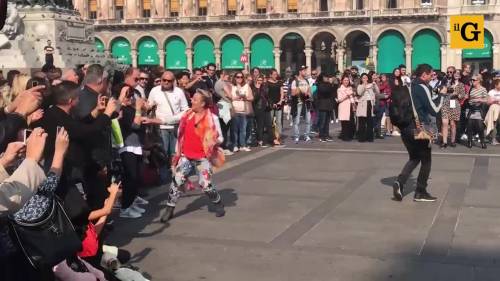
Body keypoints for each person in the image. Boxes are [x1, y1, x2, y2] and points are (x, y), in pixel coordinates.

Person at [160, 89, 225, 223]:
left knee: (205, 185)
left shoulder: (212, 118)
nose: (191, 101)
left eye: (195, 100)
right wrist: (152, 120)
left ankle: (218, 203)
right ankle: (169, 209)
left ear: (202, 104)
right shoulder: (187, 114)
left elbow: (221, 138)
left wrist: (214, 140)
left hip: (203, 157)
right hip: (185, 156)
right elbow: (169, 119)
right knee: (176, 181)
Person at [393, 64, 443, 202]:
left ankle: (399, 182)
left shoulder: (410, 86)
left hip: (405, 128)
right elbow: (434, 109)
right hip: (420, 127)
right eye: (430, 74)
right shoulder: (422, 87)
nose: (431, 77)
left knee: (414, 158)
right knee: (426, 159)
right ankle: (420, 192)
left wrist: (436, 93)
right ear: (424, 75)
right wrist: (443, 96)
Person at [146, 71, 189, 184]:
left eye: (168, 81)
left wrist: (174, 118)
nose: (165, 82)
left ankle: (176, 175)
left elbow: (185, 110)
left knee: (175, 154)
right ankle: (163, 177)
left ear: (173, 81)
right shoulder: (155, 91)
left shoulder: (179, 92)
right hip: (160, 127)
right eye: (163, 80)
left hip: (175, 127)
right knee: (162, 154)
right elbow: (148, 106)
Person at [440, 69, 466, 148]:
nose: (456, 74)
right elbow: (442, 92)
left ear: (460, 76)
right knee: (444, 122)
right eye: (455, 73)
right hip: (445, 103)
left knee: (452, 124)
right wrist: (444, 90)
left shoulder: (461, 84)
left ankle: (452, 140)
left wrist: (456, 95)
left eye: (458, 73)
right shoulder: (447, 82)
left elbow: (463, 95)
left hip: (454, 103)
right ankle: (444, 142)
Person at [230, 71, 253, 152]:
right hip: (234, 110)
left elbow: (251, 97)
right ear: (235, 78)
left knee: (243, 130)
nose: (239, 78)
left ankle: (242, 145)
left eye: (241, 77)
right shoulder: (232, 86)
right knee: (234, 129)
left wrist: (245, 97)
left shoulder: (246, 86)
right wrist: (235, 98)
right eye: (238, 77)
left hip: (243, 110)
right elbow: (228, 97)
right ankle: (235, 145)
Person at [291, 65, 312, 143]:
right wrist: (300, 91)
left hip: (306, 102)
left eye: (306, 70)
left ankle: (307, 135)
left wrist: (308, 93)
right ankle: (297, 136)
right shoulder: (295, 81)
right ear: (300, 71)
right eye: (304, 70)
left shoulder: (307, 81)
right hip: (298, 103)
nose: (305, 72)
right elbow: (293, 93)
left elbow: (310, 91)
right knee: (297, 121)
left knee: (308, 120)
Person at [214, 70, 233, 155]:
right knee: (224, 127)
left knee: (222, 127)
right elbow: (230, 95)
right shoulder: (222, 83)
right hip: (224, 105)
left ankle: (222, 146)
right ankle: (223, 147)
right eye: (226, 75)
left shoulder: (217, 83)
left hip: (221, 105)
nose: (228, 76)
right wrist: (233, 96)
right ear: (222, 75)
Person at [466, 74, 488, 149]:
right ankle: (469, 141)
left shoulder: (483, 89)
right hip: (471, 109)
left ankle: (482, 141)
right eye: (471, 80)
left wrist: (479, 99)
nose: (472, 81)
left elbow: (486, 100)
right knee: (469, 125)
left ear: (478, 81)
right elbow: (468, 98)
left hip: (479, 109)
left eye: (474, 80)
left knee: (480, 126)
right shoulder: (471, 89)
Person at [356, 73, 379, 142]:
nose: (365, 79)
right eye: (363, 78)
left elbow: (378, 92)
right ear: (361, 79)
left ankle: (369, 138)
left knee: (370, 122)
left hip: (370, 104)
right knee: (362, 122)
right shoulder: (360, 86)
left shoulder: (371, 85)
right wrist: (365, 86)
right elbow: (359, 93)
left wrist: (375, 85)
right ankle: (361, 138)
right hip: (362, 105)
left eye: (366, 78)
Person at [252, 74, 273, 147]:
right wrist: (257, 89)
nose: (260, 82)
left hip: (266, 108)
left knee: (269, 124)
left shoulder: (264, 88)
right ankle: (260, 140)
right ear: (256, 80)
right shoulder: (254, 88)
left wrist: (270, 103)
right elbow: (255, 99)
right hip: (258, 108)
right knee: (260, 125)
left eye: (261, 80)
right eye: (258, 80)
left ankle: (271, 140)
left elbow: (268, 97)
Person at [316, 73, 336, 142]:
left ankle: (326, 134)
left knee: (327, 122)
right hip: (322, 105)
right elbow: (324, 91)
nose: (327, 78)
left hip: (328, 105)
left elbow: (333, 91)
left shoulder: (329, 84)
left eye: (327, 77)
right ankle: (321, 135)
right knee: (322, 121)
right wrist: (330, 84)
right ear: (322, 77)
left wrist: (332, 83)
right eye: (325, 77)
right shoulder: (320, 84)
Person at [266, 69, 285, 146]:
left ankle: (278, 137)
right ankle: (271, 138)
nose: (275, 76)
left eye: (276, 74)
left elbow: (282, 92)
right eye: (274, 74)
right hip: (271, 105)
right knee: (270, 122)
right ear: (270, 75)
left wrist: (280, 101)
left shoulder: (279, 83)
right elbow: (266, 94)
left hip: (278, 104)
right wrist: (272, 103)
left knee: (279, 122)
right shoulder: (267, 83)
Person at [337, 75, 356, 141]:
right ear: (342, 81)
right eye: (345, 80)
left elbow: (352, 98)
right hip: (344, 107)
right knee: (344, 123)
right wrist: (347, 95)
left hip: (350, 106)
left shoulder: (350, 88)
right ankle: (345, 136)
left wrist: (354, 106)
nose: (346, 82)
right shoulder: (340, 89)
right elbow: (339, 99)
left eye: (347, 80)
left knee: (351, 122)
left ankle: (350, 135)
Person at [486, 79, 500, 145]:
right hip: (494, 110)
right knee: (494, 123)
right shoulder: (491, 92)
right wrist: (494, 101)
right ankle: (493, 139)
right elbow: (488, 102)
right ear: (496, 85)